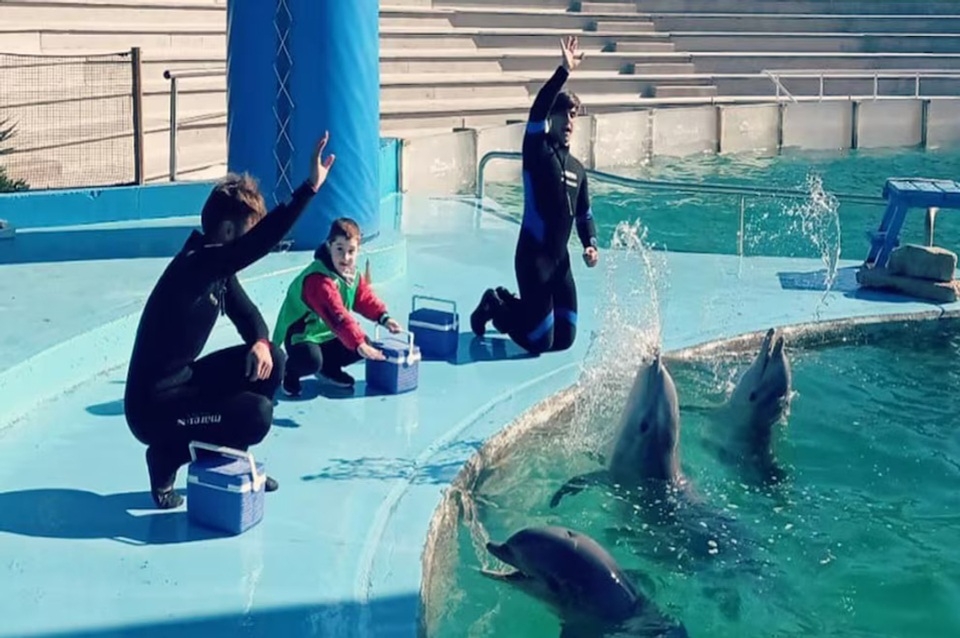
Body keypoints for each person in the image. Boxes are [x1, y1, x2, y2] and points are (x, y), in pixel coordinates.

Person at [123, 132, 337, 510]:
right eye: (248, 231)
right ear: (226, 231)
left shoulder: (216, 269)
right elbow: (262, 243)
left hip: (182, 383)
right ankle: (166, 456)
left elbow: (249, 315)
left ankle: (227, 454)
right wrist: (308, 189)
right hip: (151, 408)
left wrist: (257, 340)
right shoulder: (195, 266)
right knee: (257, 415)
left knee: (274, 359)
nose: (251, 244)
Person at [470, 36, 599, 354]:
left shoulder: (578, 169)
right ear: (551, 118)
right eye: (563, 114)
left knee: (565, 339)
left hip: (560, 264)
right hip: (533, 259)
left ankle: (515, 307)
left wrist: (590, 245)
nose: (568, 121)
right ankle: (495, 305)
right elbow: (538, 107)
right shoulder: (537, 150)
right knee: (539, 342)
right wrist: (563, 72)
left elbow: (584, 215)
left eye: (573, 116)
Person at [273, 217, 403, 396]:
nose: (345, 257)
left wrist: (384, 317)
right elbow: (337, 314)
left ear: (358, 250)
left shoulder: (352, 274)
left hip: (328, 333)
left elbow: (364, 299)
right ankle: (289, 371)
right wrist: (357, 343)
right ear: (329, 246)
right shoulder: (318, 280)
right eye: (339, 249)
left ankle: (328, 369)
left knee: (364, 344)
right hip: (302, 335)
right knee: (312, 359)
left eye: (351, 251)